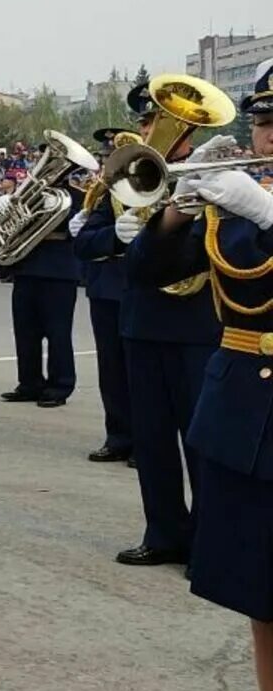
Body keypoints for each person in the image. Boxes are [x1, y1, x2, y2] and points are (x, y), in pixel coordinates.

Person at [124, 63, 273, 691]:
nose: (267, 136)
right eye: (263, 122)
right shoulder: (238, 208)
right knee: (263, 608)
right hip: (246, 418)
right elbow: (145, 272)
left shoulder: (260, 206)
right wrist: (177, 214)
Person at [110, 94, 222, 568]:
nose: (155, 127)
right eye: (153, 119)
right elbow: (104, 234)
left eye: (164, 120)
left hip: (195, 323)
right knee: (152, 439)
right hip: (143, 321)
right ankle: (163, 533)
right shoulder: (133, 171)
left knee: (200, 441)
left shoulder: (215, 174)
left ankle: (209, 543)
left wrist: (170, 226)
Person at [73, 126, 138, 465]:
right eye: (104, 158)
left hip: (138, 287)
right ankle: (119, 436)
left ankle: (146, 443)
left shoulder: (148, 185)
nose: (105, 163)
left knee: (141, 373)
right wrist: (111, 234)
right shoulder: (102, 193)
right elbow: (86, 241)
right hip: (104, 288)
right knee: (111, 370)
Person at [0, 153, 83, 408]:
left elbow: (77, 229)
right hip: (27, 267)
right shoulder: (27, 194)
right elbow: (11, 228)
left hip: (58, 270)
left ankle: (60, 385)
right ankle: (29, 382)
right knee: (25, 332)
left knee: (58, 333)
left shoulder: (77, 197)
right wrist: (10, 206)